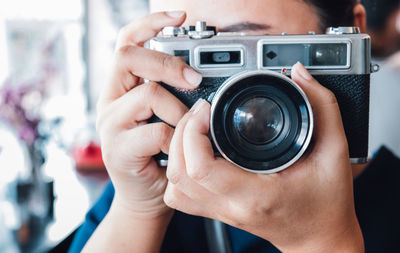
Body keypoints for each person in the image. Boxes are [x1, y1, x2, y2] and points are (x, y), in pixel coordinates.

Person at [68, 0, 400, 252]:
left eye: (256, 51)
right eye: (187, 54)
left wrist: (322, 240)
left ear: (352, 34)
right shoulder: (153, 184)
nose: (232, 94)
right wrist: (138, 210)